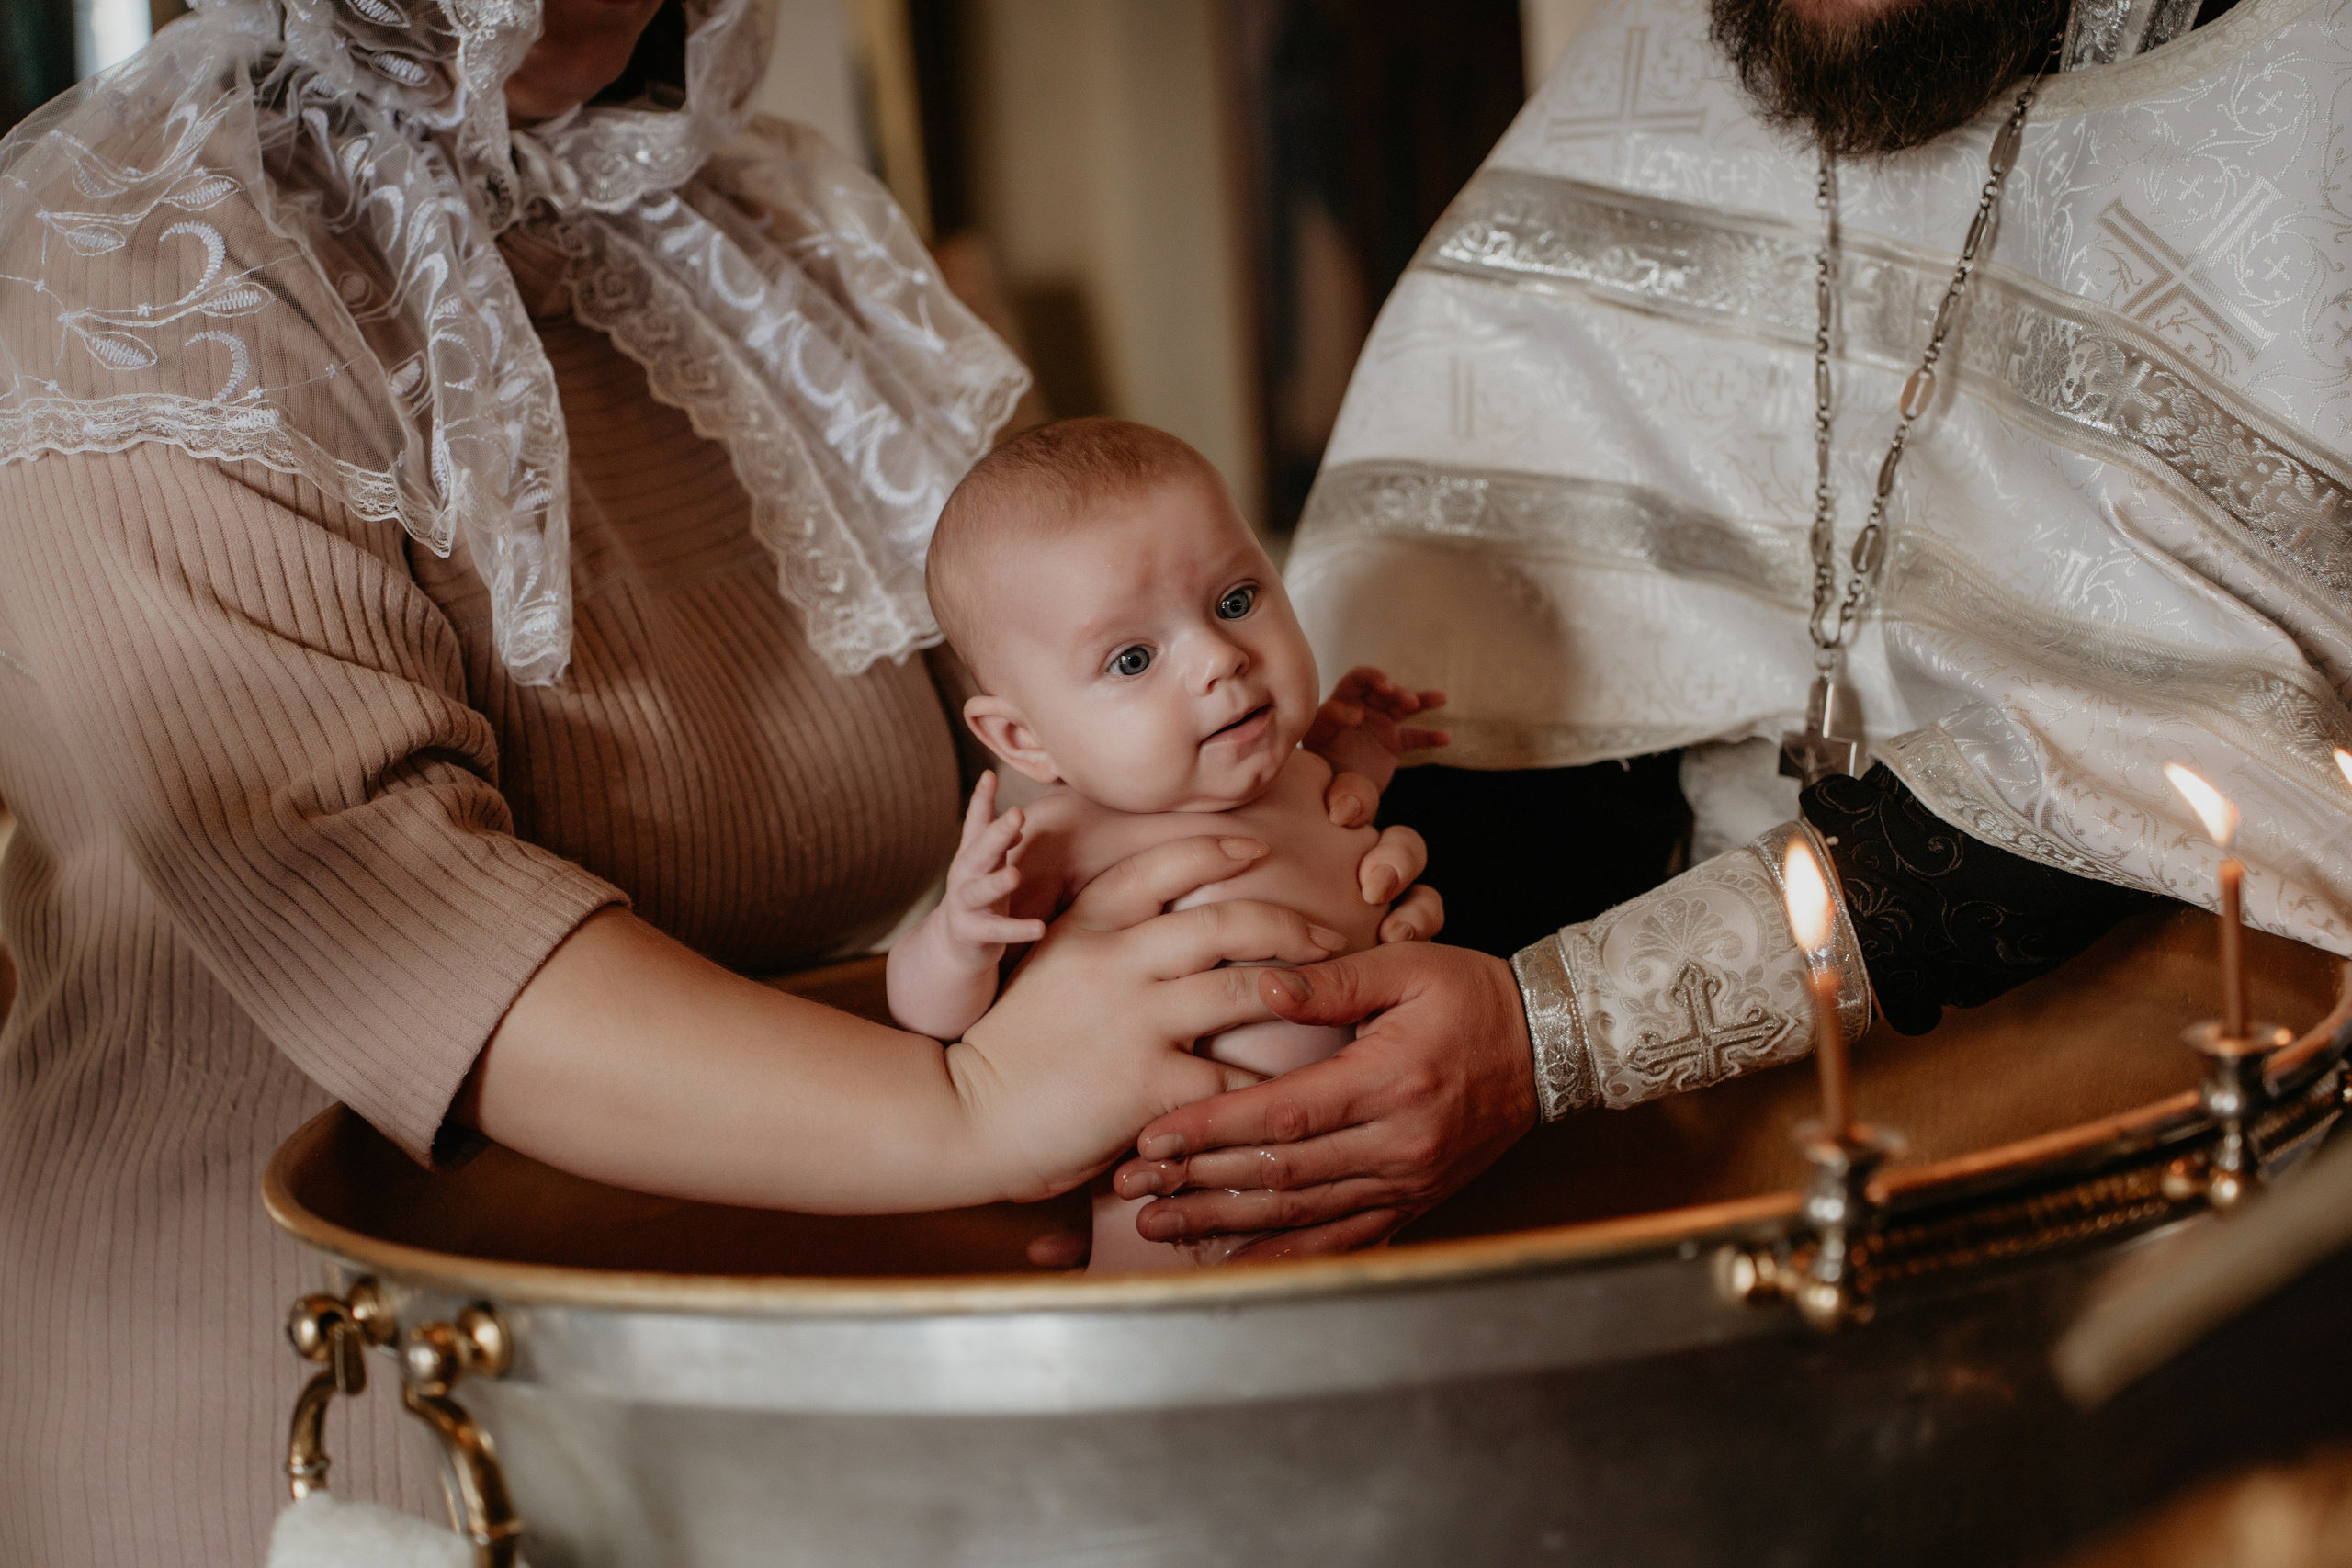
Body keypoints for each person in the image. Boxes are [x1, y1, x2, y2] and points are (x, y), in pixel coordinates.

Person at [0, 1, 1433, 1562]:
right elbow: (373, 900)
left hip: (803, 1348)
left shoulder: (763, 206)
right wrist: (976, 1104)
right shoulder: (142, 252)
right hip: (361, 1389)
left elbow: (1058, 689)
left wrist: (1258, 895)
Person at [1114, 0, 2352, 1255]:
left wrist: (1549, 1031)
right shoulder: (1667, 51)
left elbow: (2181, 759)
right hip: (1645, 1095)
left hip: (2153, 1051)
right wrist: (1319, 1006)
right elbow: (1506, 653)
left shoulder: (2304, 74)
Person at [889, 418, 1446, 1269]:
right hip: (1182, 1224)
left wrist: (1362, 746)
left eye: (1234, 601)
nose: (1220, 658)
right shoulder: (1064, 837)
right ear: (1025, 739)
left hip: (1372, 1183)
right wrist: (959, 934)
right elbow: (927, 1015)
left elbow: (1343, 812)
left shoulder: (1309, 775)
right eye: (1133, 659)